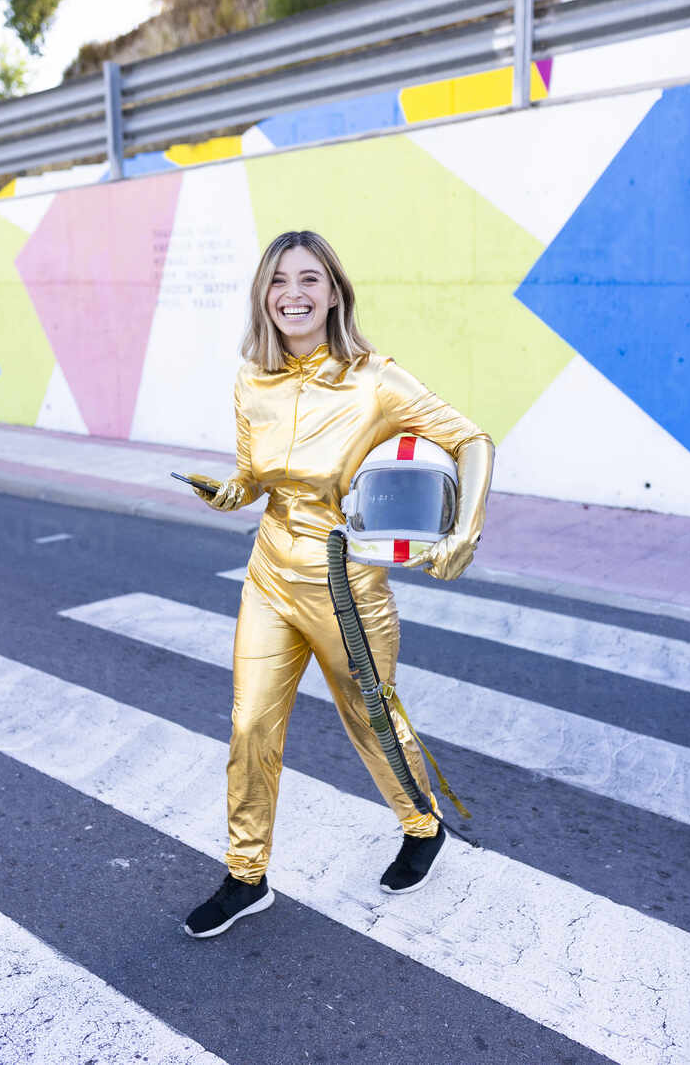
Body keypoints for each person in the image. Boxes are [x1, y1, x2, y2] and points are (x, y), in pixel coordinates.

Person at [184, 231, 494, 938]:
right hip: (267, 574)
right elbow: (254, 478)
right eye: (278, 280)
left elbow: (471, 439)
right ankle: (245, 874)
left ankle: (421, 826)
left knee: (371, 719)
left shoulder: (375, 378)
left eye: (309, 279)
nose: (292, 293)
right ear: (263, 295)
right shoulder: (249, 379)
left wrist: (462, 531)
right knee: (249, 726)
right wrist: (227, 492)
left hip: (343, 579)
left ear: (333, 293)